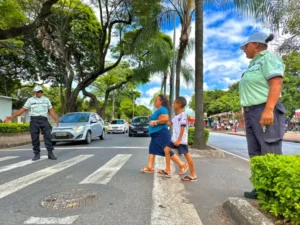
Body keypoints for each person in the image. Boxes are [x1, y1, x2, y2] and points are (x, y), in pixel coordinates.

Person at [239, 32, 286, 199]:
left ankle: (273, 193)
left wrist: (268, 109)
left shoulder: (268, 59)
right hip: (251, 111)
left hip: (264, 109)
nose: (244, 50)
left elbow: (276, 82)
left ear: (256, 45)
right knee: (255, 152)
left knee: (269, 151)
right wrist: (245, 114)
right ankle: (260, 188)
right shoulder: (253, 64)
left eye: (246, 46)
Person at [4, 86, 59, 161]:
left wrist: (56, 119)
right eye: (38, 92)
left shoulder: (46, 99)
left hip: (44, 120)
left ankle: (50, 153)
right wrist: (12, 117)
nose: (40, 93)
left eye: (41, 91)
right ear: (35, 93)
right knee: (34, 138)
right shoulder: (30, 100)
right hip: (34, 120)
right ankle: (36, 154)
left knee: (48, 137)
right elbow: (23, 109)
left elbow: (51, 110)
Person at [141, 94, 188, 174]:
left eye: (156, 100)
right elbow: (165, 120)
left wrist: (155, 122)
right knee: (152, 149)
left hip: (161, 133)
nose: (154, 102)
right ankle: (149, 166)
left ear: (161, 101)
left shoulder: (163, 109)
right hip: (156, 134)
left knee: (166, 150)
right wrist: (151, 118)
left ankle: (182, 164)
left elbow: (165, 118)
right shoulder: (158, 110)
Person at [158, 97, 197, 181]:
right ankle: (167, 170)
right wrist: (163, 119)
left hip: (181, 140)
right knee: (166, 150)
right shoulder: (176, 116)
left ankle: (193, 174)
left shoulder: (183, 115)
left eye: (174, 103)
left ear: (179, 104)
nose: (173, 104)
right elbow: (170, 123)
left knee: (186, 154)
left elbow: (183, 128)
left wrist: (179, 140)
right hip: (174, 139)